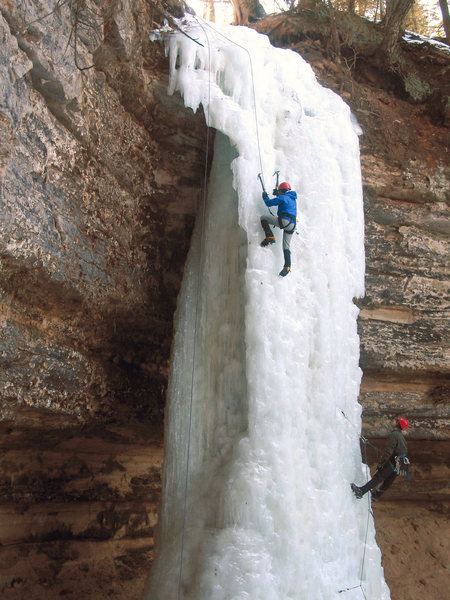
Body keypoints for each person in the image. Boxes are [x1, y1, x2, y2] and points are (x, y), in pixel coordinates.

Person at [351, 417, 409, 502]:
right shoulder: (400, 435)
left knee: (379, 477)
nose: (392, 420)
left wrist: (381, 463)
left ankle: (361, 491)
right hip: (401, 463)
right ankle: (376, 496)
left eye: (395, 420)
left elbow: (388, 451)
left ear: (397, 424)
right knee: (388, 480)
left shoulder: (394, 434)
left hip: (395, 461)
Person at [260, 181, 297, 277]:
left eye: (280, 191)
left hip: (284, 221)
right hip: (292, 225)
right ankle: (287, 267)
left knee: (263, 218)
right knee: (286, 246)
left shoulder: (283, 197)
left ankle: (270, 236)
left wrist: (265, 197)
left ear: (282, 191)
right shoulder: (292, 199)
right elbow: (283, 201)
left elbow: (269, 203)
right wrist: (278, 194)